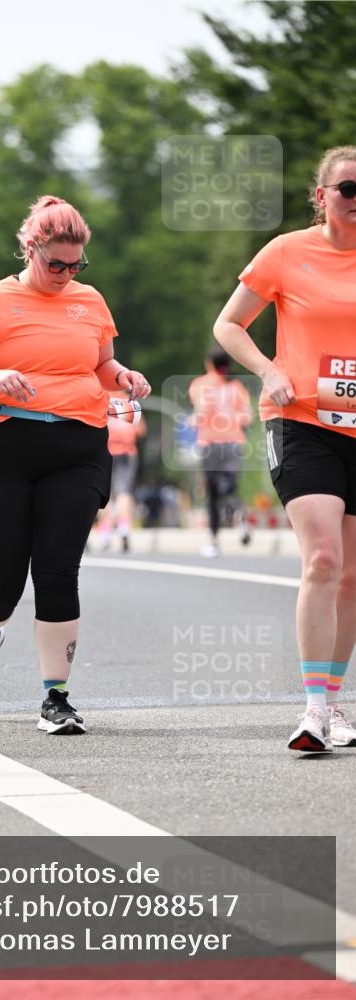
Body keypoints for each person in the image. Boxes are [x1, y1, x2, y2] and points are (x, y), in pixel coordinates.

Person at [0, 195, 151, 734]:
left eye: (76, 265)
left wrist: (123, 376)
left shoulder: (90, 302)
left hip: (77, 447)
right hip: (0, 445)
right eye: (57, 264)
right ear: (31, 249)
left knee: (57, 571)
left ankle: (56, 698)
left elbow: (99, 363)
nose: (66, 274)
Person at [213, 145, 356, 752]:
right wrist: (270, 370)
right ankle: (313, 709)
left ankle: (335, 698)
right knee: (323, 559)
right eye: (348, 188)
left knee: (352, 578)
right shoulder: (287, 252)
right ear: (321, 196)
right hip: (301, 421)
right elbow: (228, 325)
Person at [188, 348, 253, 558]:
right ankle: (239, 517)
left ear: (209, 364)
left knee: (213, 494)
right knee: (229, 488)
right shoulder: (236, 387)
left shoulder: (200, 385)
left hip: (209, 442)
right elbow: (248, 417)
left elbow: (201, 411)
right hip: (233, 442)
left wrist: (193, 420)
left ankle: (214, 542)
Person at [96, 397, 147, 552]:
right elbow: (141, 430)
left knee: (105, 493)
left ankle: (105, 532)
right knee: (124, 491)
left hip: (106, 450)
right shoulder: (129, 403)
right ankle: (124, 527)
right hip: (127, 452)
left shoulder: (102, 399)